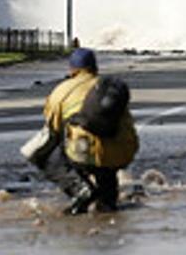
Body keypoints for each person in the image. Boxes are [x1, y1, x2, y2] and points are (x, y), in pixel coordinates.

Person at [32, 47, 138, 214]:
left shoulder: (62, 90)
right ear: (95, 67)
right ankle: (108, 202)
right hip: (122, 151)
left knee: (47, 154)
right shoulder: (108, 89)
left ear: (72, 69)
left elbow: (53, 128)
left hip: (84, 152)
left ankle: (79, 188)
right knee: (106, 181)